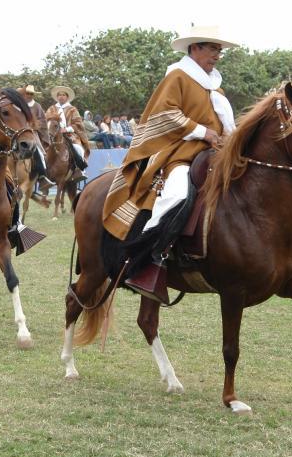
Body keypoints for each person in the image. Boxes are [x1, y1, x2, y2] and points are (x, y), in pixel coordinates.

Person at [102, 25, 238, 303]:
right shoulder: (177, 76)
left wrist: (228, 139)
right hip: (180, 154)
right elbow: (164, 114)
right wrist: (204, 132)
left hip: (215, 155)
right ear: (195, 48)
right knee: (176, 194)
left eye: (219, 50)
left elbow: (226, 125)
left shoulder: (215, 86)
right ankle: (152, 259)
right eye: (212, 48)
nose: (217, 55)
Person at [45, 85, 89, 180]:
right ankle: (40, 173)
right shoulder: (51, 109)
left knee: (78, 148)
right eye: (59, 95)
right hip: (52, 135)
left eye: (63, 95)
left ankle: (79, 170)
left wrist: (67, 129)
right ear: (57, 97)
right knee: (41, 148)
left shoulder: (72, 109)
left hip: (69, 135)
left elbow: (78, 124)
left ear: (67, 97)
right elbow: (46, 121)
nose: (61, 97)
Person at [18, 84, 54, 192]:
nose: (28, 95)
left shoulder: (37, 106)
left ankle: (42, 177)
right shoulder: (18, 105)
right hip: (18, 133)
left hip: (32, 133)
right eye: (27, 93)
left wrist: (33, 125)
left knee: (39, 151)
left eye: (31, 94)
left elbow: (42, 121)